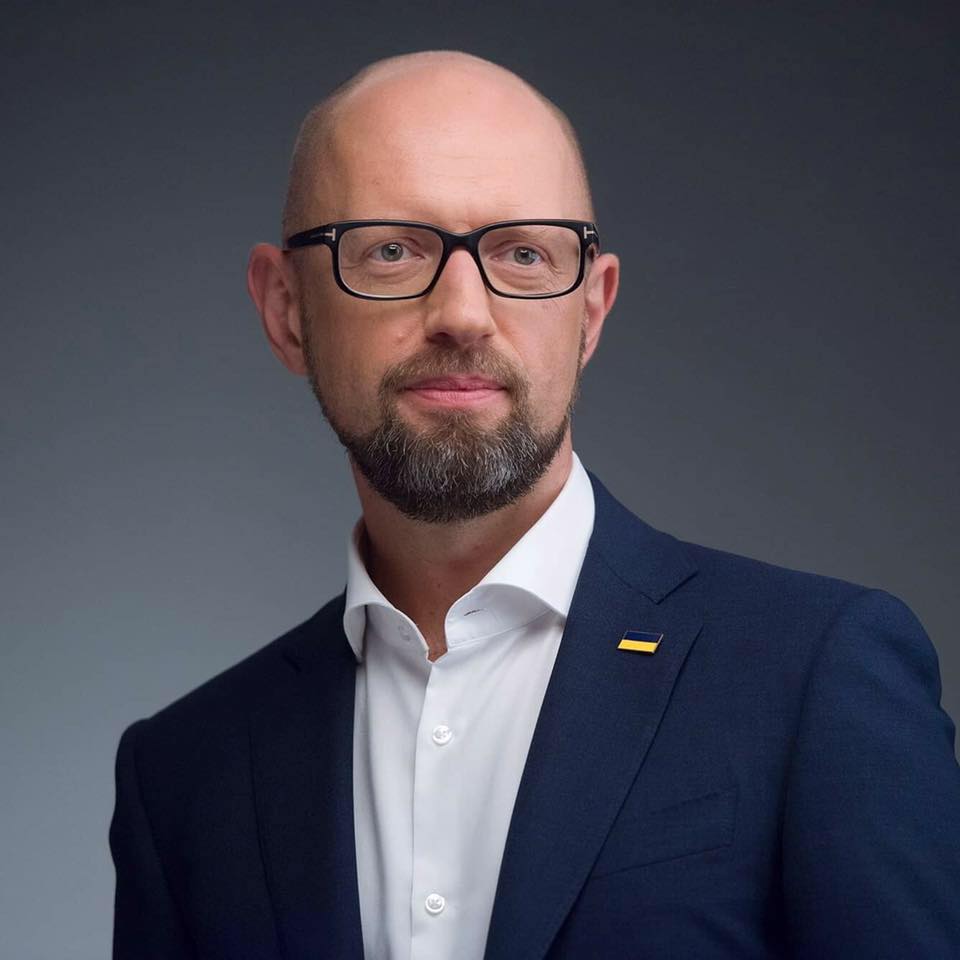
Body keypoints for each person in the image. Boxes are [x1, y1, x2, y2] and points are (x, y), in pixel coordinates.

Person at [110, 50, 960, 960]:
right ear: (285, 309)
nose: (464, 314)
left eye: (523, 253)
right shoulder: (184, 775)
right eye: (392, 250)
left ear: (591, 310)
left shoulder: (815, 675)